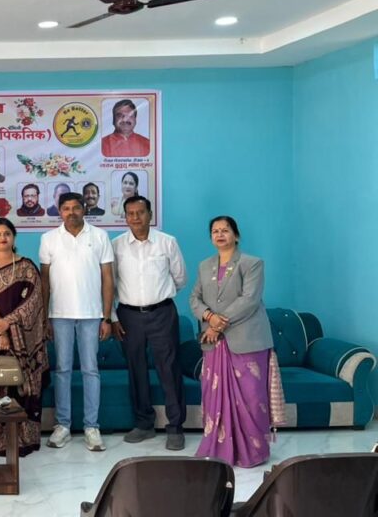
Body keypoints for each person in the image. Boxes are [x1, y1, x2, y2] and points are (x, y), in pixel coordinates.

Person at [190, 216, 283, 468]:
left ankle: (253, 452)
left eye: (225, 230)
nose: (220, 235)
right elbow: (194, 298)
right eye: (215, 231)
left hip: (247, 340)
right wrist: (208, 317)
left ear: (236, 235)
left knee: (252, 396)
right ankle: (219, 449)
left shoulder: (252, 263)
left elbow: (249, 300)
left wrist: (217, 324)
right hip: (215, 344)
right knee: (215, 396)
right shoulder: (204, 266)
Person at [39, 192, 114, 452]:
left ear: (85, 209)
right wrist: (44, 318)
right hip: (59, 315)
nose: (71, 212)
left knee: (91, 370)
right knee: (62, 370)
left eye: (76, 207)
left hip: (92, 314)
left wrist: (107, 317)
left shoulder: (100, 236)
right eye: (66, 208)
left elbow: (107, 278)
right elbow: (44, 281)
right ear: (59, 212)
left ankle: (92, 427)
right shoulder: (49, 239)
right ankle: (63, 425)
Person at [111, 197, 187, 451]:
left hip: (162, 313)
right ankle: (144, 424)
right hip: (128, 315)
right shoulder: (116, 246)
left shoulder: (167, 242)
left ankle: (175, 427)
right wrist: (113, 317)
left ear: (150, 214)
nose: (136, 217)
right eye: (130, 213)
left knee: (169, 369)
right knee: (136, 369)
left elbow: (180, 278)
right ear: (125, 217)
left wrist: (157, 297)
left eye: (140, 212)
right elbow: (109, 284)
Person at [0, 219, 48, 457]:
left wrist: (10, 321)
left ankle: (25, 436)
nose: (3, 237)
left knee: (21, 383)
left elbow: (35, 300)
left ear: (14, 237)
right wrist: (2, 330)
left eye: (7, 233)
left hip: (25, 336)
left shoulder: (26, 266)